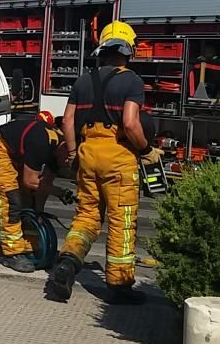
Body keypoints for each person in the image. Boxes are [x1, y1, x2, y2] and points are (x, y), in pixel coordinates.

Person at [48, 21, 160, 305]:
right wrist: (147, 150)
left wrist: (73, 153)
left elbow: (68, 121)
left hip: (88, 153)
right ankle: (119, 285)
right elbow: (131, 123)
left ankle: (67, 264)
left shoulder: (83, 80)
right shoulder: (132, 80)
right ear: (128, 49)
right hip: (117, 157)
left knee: (86, 217)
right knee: (121, 220)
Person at [0, 111, 74, 273]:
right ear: (65, 150)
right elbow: (31, 181)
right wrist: (59, 192)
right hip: (0, 149)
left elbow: (42, 186)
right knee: (12, 201)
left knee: (29, 204)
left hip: (16, 154)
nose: (67, 167)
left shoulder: (58, 151)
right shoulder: (43, 143)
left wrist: (38, 212)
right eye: (68, 162)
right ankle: (13, 253)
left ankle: (29, 244)